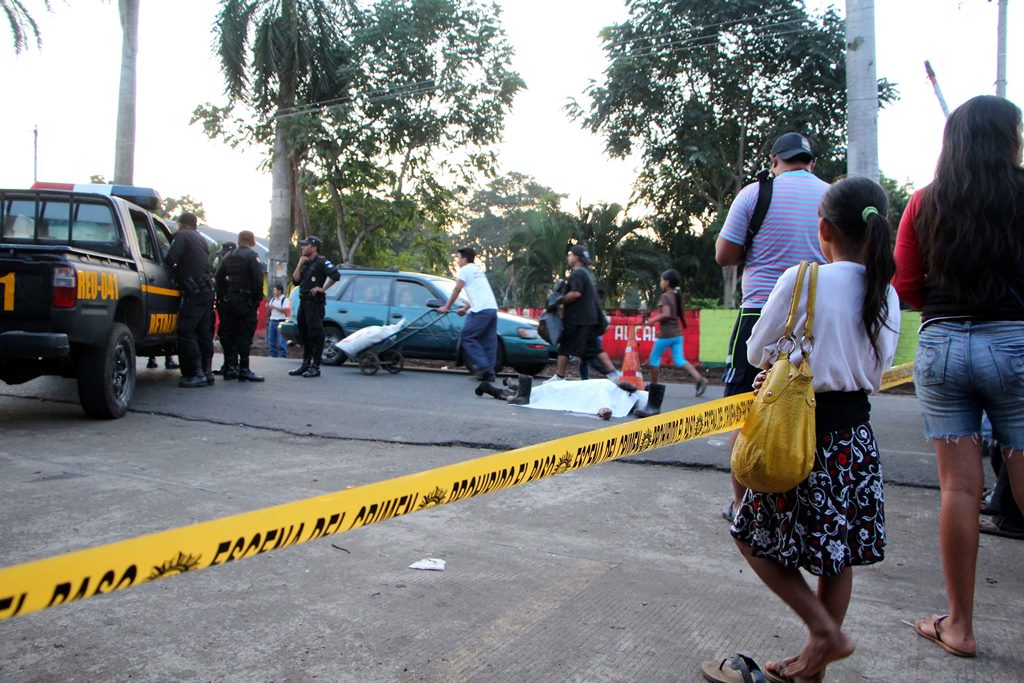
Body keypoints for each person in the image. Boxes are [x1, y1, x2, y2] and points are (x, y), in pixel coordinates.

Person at [703, 177, 900, 683]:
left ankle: (825, 632)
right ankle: (813, 666)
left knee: (749, 533)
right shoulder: (886, 292)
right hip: (854, 442)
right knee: (837, 555)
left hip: (801, 434)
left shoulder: (803, 279)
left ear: (824, 229)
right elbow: (877, 374)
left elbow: (755, 352)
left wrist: (784, 362)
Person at [893, 95, 1024, 659]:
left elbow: (904, 284)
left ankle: (960, 626)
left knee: (959, 489)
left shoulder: (925, 201)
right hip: (1015, 343)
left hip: (943, 345)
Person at [715, 132, 830, 522]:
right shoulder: (832, 197)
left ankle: (742, 508)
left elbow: (724, 255)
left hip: (760, 314)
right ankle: (803, 507)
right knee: (811, 410)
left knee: (744, 411)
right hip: (816, 318)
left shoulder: (754, 194)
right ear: (811, 162)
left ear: (774, 162)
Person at [547, 245, 620, 383]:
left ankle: (559, 377)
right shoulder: (585, 273)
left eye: (570, 255)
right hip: (588, 319)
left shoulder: (577, 273)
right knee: (594, 349)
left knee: (565, 346)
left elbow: (576, 293)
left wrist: (558, 300)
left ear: (576, 257)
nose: (569, 257)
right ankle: (614, 375)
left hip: (577, 320)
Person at [164, 212, 215, 388]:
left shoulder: (182, 236)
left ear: (182, 224)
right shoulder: (201, 239)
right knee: (203, 332)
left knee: (186, 331)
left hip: (194, 291)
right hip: (206, 290)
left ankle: (196, 373)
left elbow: (170, 259)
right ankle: (206, 372)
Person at [438, 247, 499, 381]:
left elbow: (457, 289)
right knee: (488, 340)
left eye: (458, 258)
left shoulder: (464, 270)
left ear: (464, 259)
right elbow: (479, 293)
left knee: (467, 337)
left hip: (480, 310)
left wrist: (447, 307)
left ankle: (484, 367)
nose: (457, 261)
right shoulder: (478, 271)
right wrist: (465, 308)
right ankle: (489, 373)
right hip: (491, 308)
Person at [643, 269, 708, 396]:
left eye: (662, 280)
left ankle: (654, 386)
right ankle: (700, 379)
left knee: (654, 359)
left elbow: (666, 314)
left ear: (667, 282)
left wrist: (652, 320)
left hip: (667, 335)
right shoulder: (676, 295)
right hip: (677, 335)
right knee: (679, 360)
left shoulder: (665, 296)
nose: (661, 283)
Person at [215, 230, 265, 382]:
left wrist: (225, 294)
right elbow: (258, 278)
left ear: (239, 241)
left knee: (229, 334)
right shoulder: (252, 256)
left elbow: (218, 277)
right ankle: (244, 369)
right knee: (244, 336)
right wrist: (256, 299)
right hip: (245, 302)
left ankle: (230, 367)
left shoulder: (228, 256)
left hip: (230, 301)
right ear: (252, 242)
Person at [289, 236, 341, 378]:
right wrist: (299, 264)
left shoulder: (321, 262)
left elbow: (336, 275)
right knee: (304, 334)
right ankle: (305, 364)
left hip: (315, 303)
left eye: (305, 245)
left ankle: (315, 366)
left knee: (316, 334)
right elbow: (295, 281)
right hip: (303, 302)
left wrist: (323, 288)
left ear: (314, 247)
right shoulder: (305, 263)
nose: (302, 247)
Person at [266, 284, 290, 358]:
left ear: (279, 291)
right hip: (272, 320)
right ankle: (272, 354)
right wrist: (268, 307)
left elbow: (285, 310)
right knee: (271, 339)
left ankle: (283, 355)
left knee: (281, 339)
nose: (273, 292)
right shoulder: (273, 299)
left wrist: (274, 307)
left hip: (281, 321)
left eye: (275, 290)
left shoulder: (285, 300)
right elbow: (269, 310)